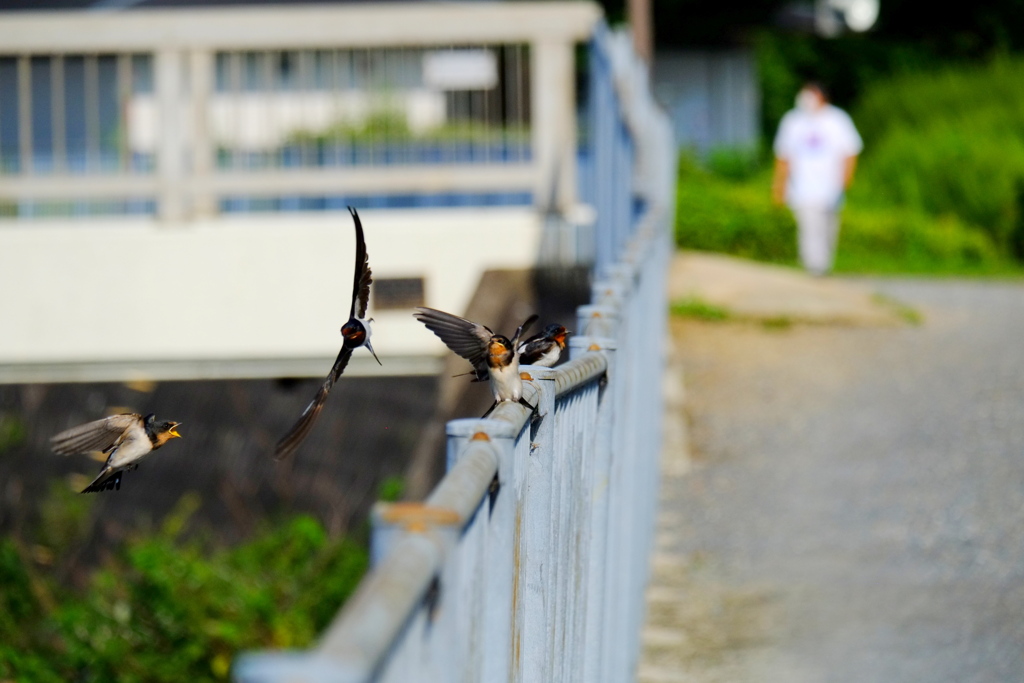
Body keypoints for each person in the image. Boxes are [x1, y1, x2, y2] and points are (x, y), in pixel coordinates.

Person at [772, 82, 862, 276]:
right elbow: (783, 156)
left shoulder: (838, 120)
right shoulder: (792, 121)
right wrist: (779, 186)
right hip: (802, 188)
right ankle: (814, 267)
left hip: (831, 187)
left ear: (822, 96)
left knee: (829, 230)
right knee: (809, 227)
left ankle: (823, 266)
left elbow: (850, 152)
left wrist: (845, 180)